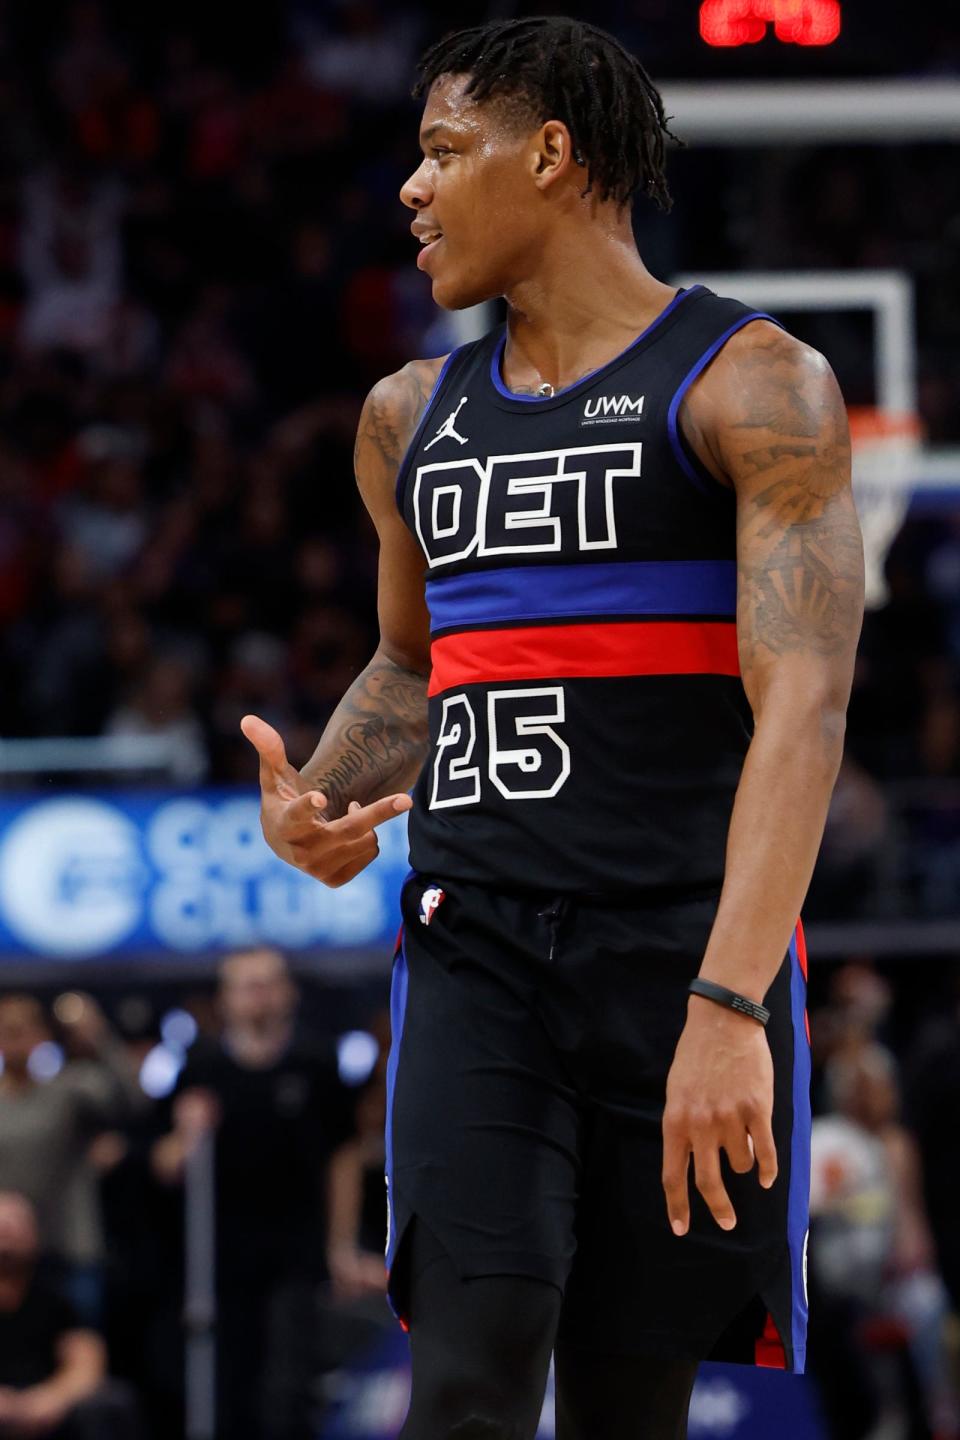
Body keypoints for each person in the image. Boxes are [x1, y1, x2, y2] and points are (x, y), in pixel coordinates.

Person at [241, 17, 865, 1439]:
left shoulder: (758, 386)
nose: (412, 186)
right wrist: (324, 797)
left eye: (445, 151)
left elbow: (806, 714)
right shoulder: (409, 415)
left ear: (553, 153)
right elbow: (412, 669)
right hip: (481, 948)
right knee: (464, 1381)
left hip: (681, 959)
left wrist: (724, 1008)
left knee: (630, 1408)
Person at [151, 947, 353, 1440]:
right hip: (220, 1256)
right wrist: (187, 1134)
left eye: (269, 982)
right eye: (246, 984)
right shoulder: (202, 1067)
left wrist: (340, 1245)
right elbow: (164, 1165)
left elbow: (342, 1156)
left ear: (289, 993)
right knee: (225, 1380)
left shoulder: (315, 1061)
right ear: (225, 999)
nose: (259, 995)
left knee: (288, 1383)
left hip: (295, 1249)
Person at [0, 993, 143, 1327]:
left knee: (82, 1344)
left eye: (22, 1028)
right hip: (5, 1255)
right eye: (5, 1029)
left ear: (42, 1034)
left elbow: (133, 1100)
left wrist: (98, 1036)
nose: (13, 1038)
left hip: (68, 1250)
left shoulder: (71, 1088)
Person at [0, 1190, 137, 1439]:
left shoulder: (56, 1298)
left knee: (112, 1402)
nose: (6, 1234)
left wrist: (50, 1399)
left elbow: (87, 1361)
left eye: (14, 1225)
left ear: (34, 1235)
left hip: (45, 1403)